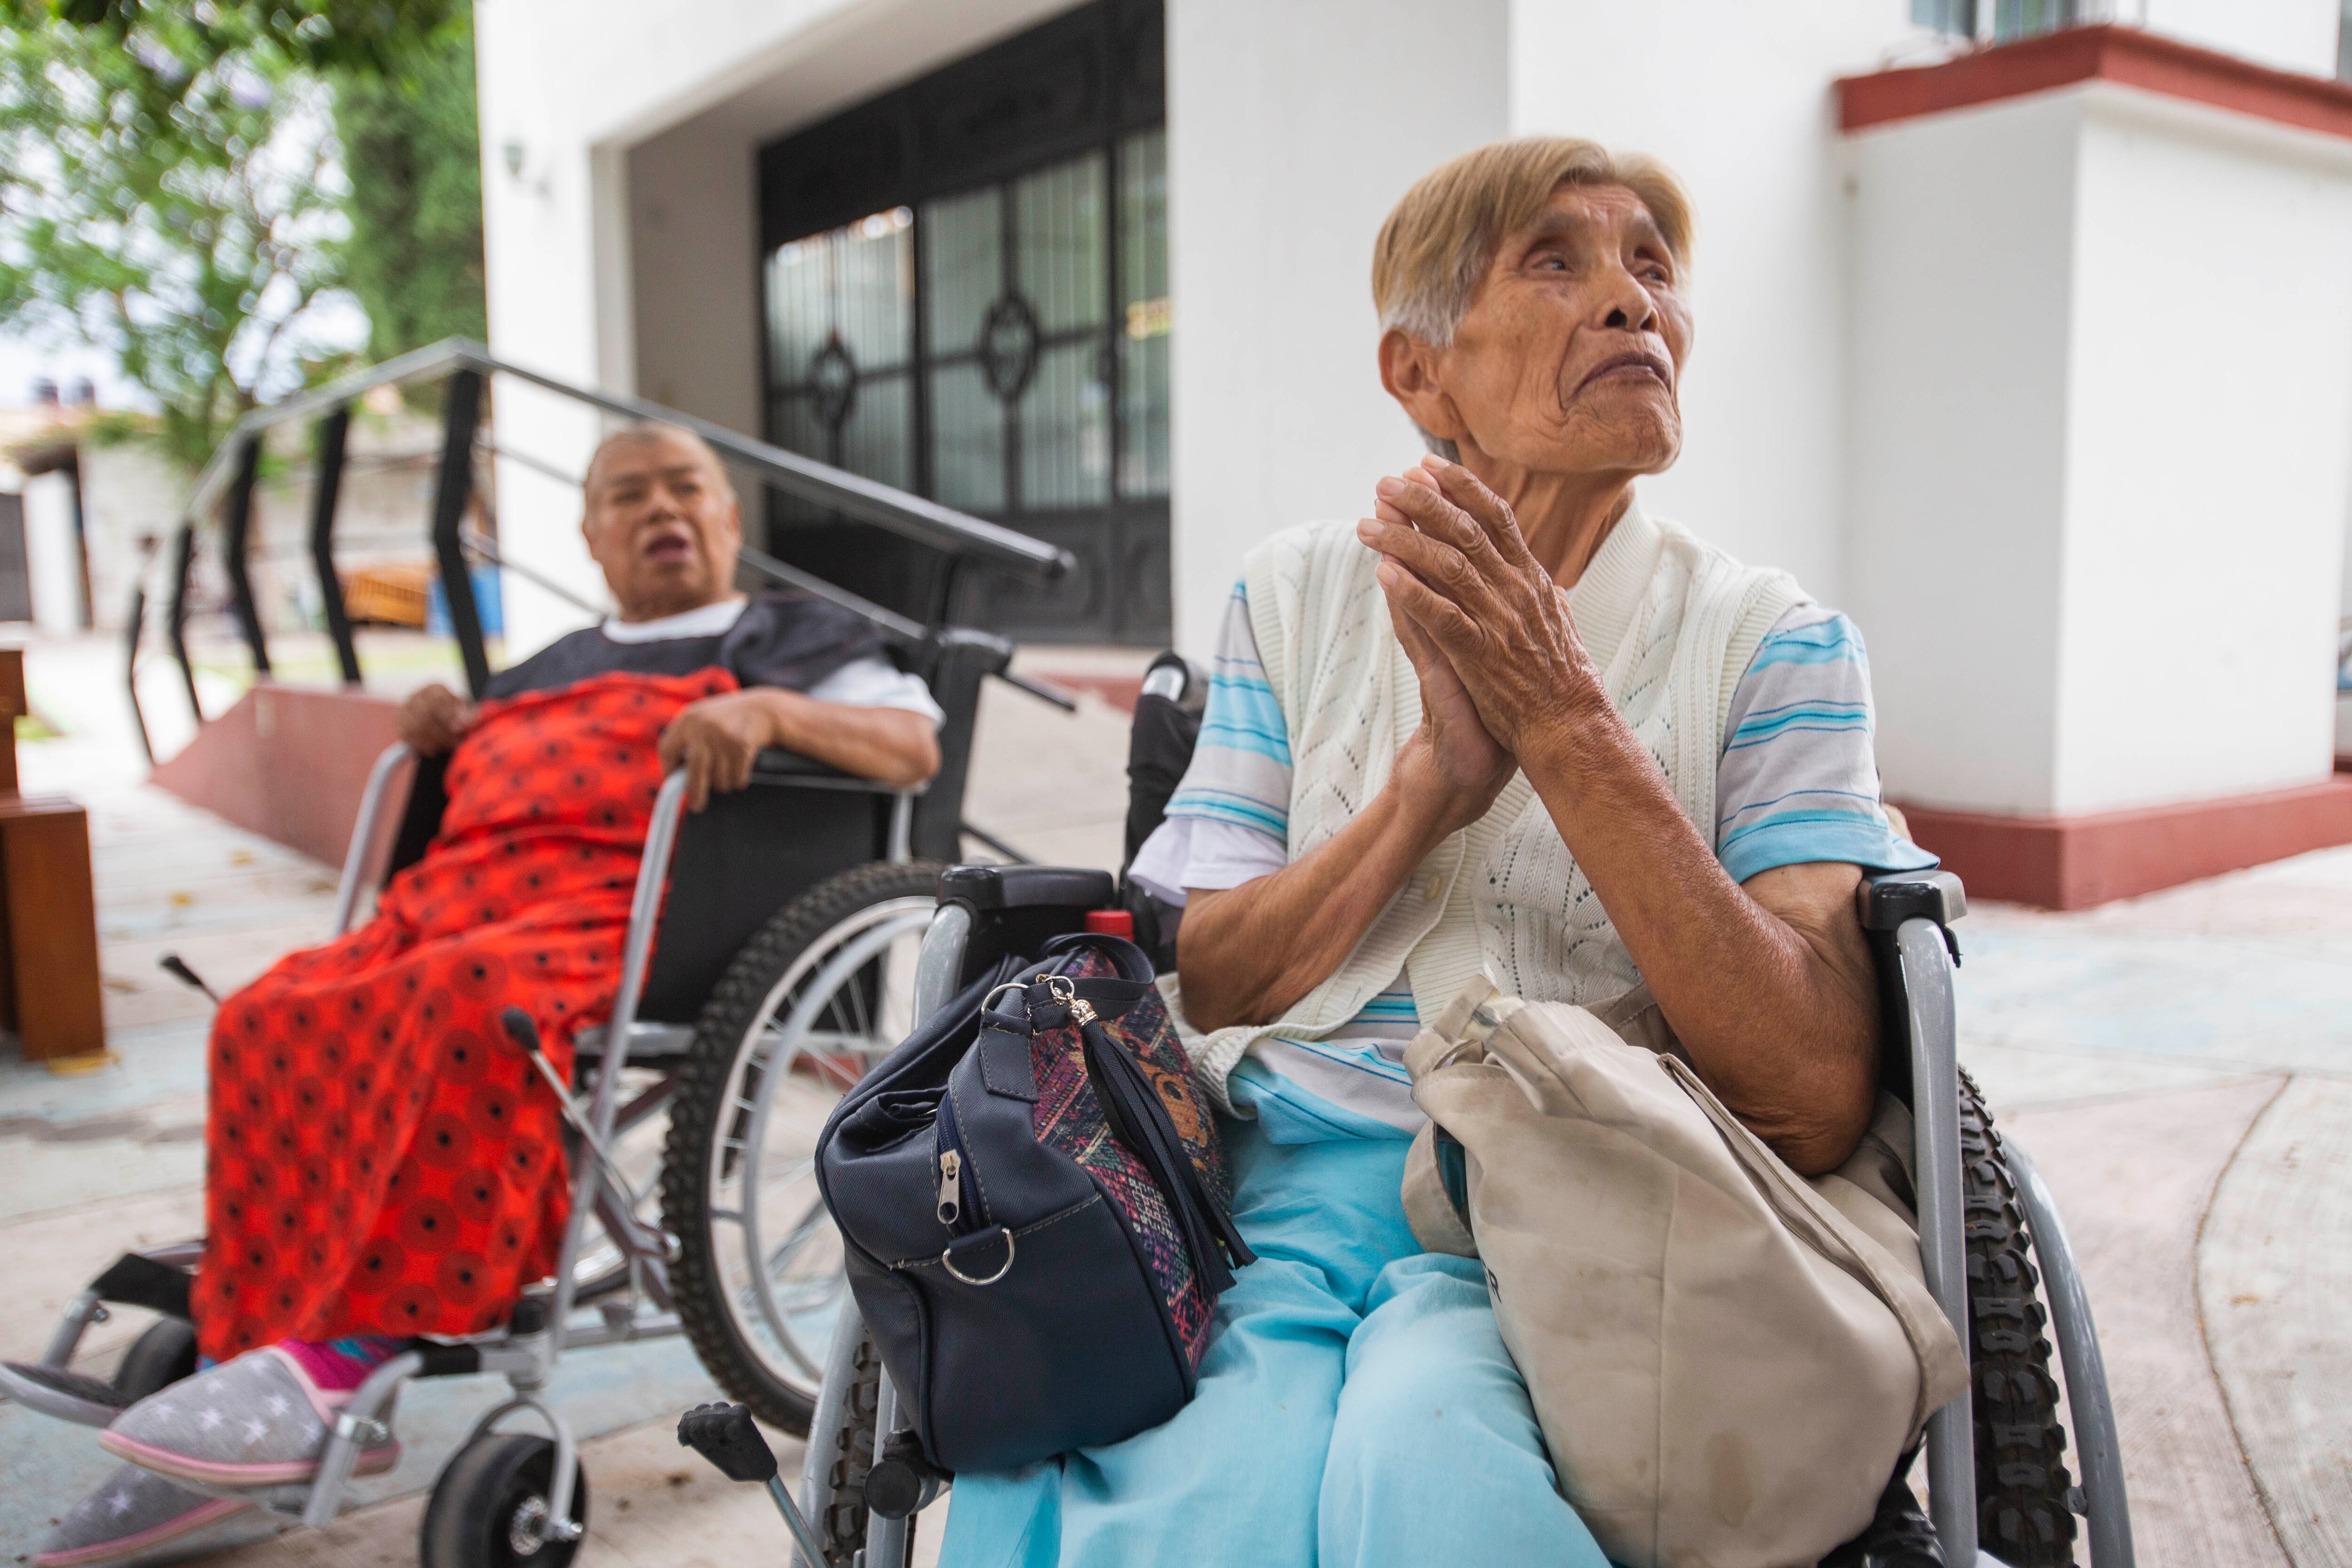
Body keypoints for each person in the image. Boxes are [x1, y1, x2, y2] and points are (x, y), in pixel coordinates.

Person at [937, 137, 1937, 1568]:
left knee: (1429, 1464)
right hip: (1274, 1186)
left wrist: (1564, 716)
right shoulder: (1297, 593)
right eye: (1557, 260)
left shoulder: (1772, 642)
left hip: (1596, 1195)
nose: (1629, 302)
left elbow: (1817, 1090)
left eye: (1653, 265)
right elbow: (1206, 976)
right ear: (1420, 375)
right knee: (1196, 1496)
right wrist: (1428, 788)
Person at [40, 422, 941, 1567]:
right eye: (630, 494)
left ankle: (349, 1350)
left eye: (687, 488)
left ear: (727, 517)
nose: (661, 508)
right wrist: (443, 732)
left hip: (624, 914)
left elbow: (910, 744)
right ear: (589, 534)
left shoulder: (792, 635)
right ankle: (253, 1329)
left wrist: (768, 711)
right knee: (271, 1008)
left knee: (471, 999)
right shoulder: (545, 661)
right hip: (465, 898)